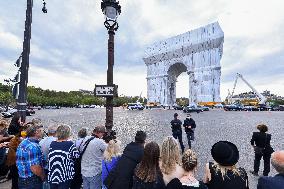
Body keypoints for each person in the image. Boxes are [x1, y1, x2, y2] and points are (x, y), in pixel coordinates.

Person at [48, 124, 80, 189]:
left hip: (53, 175)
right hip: (64, 175)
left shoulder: (52, 144)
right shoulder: (69, 144)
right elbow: (76, 156)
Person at [16, 123, 45, 189]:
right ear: (36, 132)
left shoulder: (25, 142)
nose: (43, 132)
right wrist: (43, 176)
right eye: (42, 130)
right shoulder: (32, 147)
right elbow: (34, 168)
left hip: (23, 178)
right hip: (31, 180)